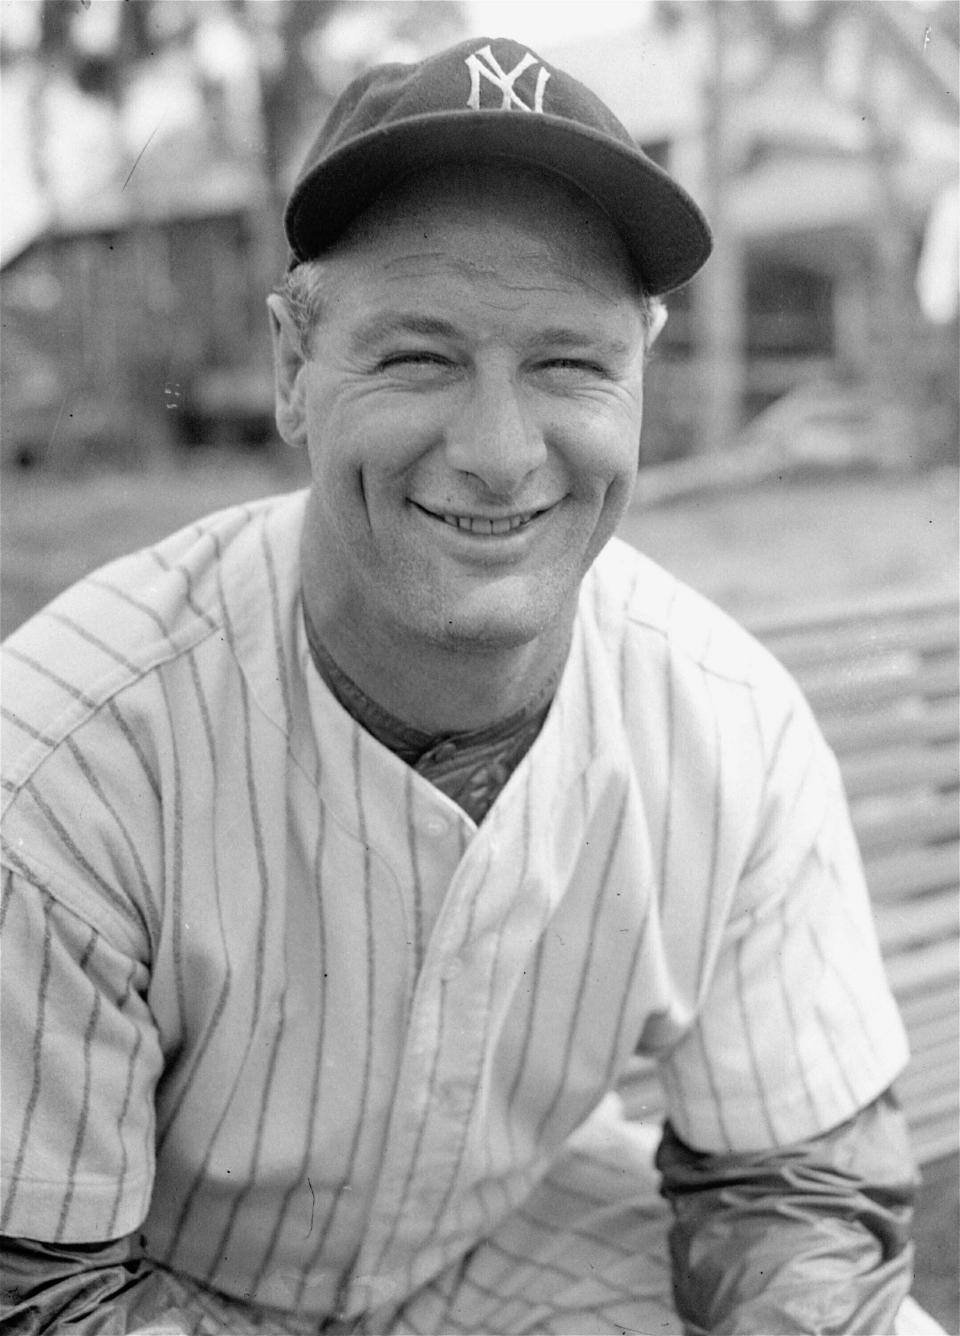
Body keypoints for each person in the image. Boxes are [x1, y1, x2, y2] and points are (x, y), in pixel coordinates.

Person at [0, 35, 943, 1336]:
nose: (501, 456)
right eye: (419, 358)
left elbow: (794, 1193)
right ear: (292, 367)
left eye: (570, 364)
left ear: (643, 371)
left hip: (503, 1242)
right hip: (151, 1276)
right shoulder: (63, 754)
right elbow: (37, 1293)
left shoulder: (732, 728)